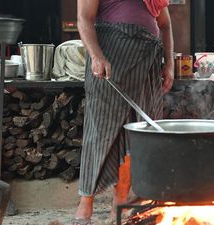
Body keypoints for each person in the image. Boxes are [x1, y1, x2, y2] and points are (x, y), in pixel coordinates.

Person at [73, 0, 174, 224]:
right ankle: (85, 202)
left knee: (139, 135)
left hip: (148, 63)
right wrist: (96, 55)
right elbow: (84, 19)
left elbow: (165, 25)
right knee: (100, 132)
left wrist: (169, 64)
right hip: (110, 60)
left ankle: (120, 203)